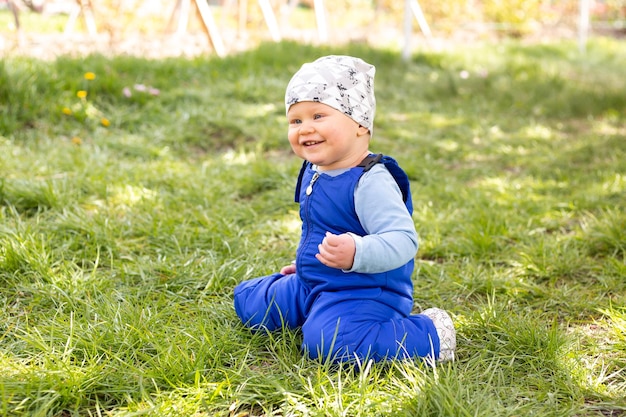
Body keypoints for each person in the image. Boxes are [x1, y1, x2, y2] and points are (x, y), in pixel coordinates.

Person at [234, 55, 456, 364]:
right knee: (250, 301)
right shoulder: (317, 169)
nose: (304, 128)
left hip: (364, 291)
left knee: (328, 342)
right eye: (296, 120)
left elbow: (404, 240)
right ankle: (312, 306)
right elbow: (319, 229)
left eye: (318, 116)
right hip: (316, 280)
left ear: (360, 123)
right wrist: (308, 263)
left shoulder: (370, 181)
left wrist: (356, 251)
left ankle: (430, 334)